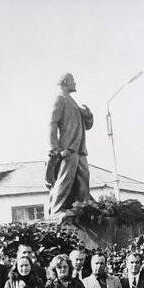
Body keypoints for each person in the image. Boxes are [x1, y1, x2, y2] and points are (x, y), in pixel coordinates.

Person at [48, 73, 94, 220]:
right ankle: (57, 211)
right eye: (73, 80)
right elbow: (52, 123)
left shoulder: (71, 101)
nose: (75, 83)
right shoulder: (59, 98)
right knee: (65, 179)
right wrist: (55, 148)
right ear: (66, 81)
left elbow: (87, 126)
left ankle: (84, 207)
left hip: (79, 148)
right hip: (67, 149)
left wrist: (88, 115)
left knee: (83, 178)